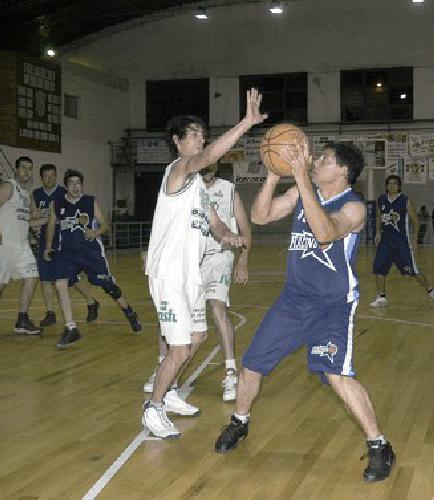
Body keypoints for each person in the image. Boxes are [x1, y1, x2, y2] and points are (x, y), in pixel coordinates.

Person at [212, 141, 395, 482]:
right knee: (251, 366)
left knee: (337, 376)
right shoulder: (300, 193)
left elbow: (325, 234)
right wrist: (271, 175)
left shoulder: (354, 207)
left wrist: (300, 180)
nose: (317, 161)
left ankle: (379, 444)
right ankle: (239, 422)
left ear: (342, 171)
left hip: (332, 306)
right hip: (293, 300)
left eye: (325, 159)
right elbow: (259, 216)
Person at [140, 89, 258, 439]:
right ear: (177, 141)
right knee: (179, 347)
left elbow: (217, 224)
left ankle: (171, 390)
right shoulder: (177, 171)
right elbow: (207, 156)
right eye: (192, 134)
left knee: (198, 335)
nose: (199, 139)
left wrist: (230, 238)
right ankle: (153, 408)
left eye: (201, 134)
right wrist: (246, 124)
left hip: (189, 274)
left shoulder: (199, 190)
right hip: (169, 274)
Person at [142, 162, 251, 402]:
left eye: (212, 165)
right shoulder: (183, 187)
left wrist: (242, 257)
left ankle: (230, 371)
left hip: (218, 258)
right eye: (205, 165)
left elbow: (238, 226)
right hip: (188, 263)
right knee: (173, 318)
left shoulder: (228, 189)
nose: (208, 168)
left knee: (216, 307)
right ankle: (165, 371)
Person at [42, 169, 143, 349]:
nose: (75, 186)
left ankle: (129, 312)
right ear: (66, 186)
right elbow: (51, 225)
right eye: (71, 183)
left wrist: (95, 232)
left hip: (91, 253)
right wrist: (48, 246)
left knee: (108, 287)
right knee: (60, 283)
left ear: (82, 185)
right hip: (66, 253)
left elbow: (105, 224)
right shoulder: (57, 203)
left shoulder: (90, 201)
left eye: (78, 183)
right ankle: (71, 327)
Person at [0, 157, 47, 339]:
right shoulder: (8, 186)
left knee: (32, 277)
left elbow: (29, 221)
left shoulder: (26, 194)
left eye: (30, 168)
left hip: (22, 245)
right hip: (3, 243)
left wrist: (48, 219)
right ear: (16, 170)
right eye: (23, 168)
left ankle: (22, 320)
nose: (27, 171)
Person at [32, 163, 100, 329]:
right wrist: (34, 220)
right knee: (45, 278)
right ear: (41, 178)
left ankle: (91, 302)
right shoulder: (36, 194)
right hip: (47, 240)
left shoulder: (65, 192)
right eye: (46, 176)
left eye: (53, 175)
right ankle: (50, 313)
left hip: (65, 240)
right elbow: (34, 214)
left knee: (72, 278)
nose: (50, 178)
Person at [367, 176, 434, 308]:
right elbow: (379, 217)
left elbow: (416, 221)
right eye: (389, 184)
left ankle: (432, 292)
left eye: (395, 184)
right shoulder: (382, 200)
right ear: (386, 186)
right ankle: (381, 297)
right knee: (379, 268)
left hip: (402, 243)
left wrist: (414, 239)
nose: (392, 186)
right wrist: (378, 232)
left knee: (413, 272)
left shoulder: (405, 201)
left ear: (399, 186)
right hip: (385, 242)